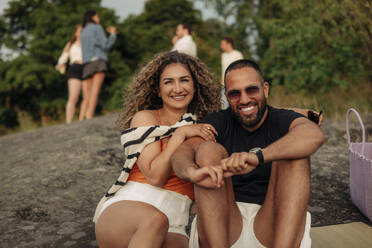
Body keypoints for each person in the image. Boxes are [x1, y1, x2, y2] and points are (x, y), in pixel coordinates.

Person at [171, 59, 325, 248]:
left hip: (273, 225)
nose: (244, 99)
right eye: (235, 93)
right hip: (225, 225)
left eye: (251, 90)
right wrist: (191, 172)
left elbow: (313, 135)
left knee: (295, 154)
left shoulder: (282, 119)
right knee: (208, 150)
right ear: (227, 96)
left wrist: (258, 157)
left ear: (265, 89)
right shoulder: (218, 122)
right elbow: (182, 153)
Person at [93, 51, 221, 248]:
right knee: (155, 220)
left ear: (195, 86)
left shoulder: (203, 126)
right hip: (130, 208)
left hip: (175, 219)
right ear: (158, 90)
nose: (177, 88)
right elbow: (155, 177)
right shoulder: (147, 118)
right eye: (168, 82)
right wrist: (179, 135)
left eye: (184, 80)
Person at [80, 10, 117, 120]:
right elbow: (105, 45)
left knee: (86, 94)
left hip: (86, 63)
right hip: (98, 61)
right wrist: (113, 34)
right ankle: (89, 116)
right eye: (97, 16)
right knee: (95, 91)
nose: (98, 18)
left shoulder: (83, 31)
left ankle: (82, 117)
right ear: (93, 17)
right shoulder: (97, 27)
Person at [56, 25, 89, 123]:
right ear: (76, 33)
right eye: (80, 31)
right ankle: (69, 121)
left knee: (87, 97)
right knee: (73, 96)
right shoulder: (70, 44)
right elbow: (63, 57)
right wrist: (60, 64)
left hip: (86, 68)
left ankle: (82, 119)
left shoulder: (88, 44)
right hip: (75, 68)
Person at [220, 37, 243, 109]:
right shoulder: (223, 55)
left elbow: (241, 70)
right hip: (225, 84)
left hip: (235, 84)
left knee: (235, 105)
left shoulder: (237, 54)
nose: (221, 46)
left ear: (229, 44)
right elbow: (223, 69)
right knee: (223, 105)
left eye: (222, 44)